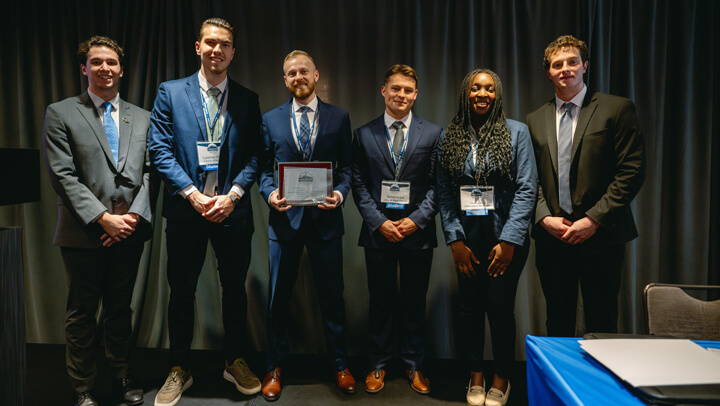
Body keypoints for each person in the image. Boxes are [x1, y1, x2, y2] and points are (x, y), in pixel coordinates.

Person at [148, 17, 264, 405]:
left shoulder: (247, 99)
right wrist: (192, 195)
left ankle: (235, 360)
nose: (218, 50)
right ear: (197, 47)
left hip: (232, 211)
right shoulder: (169, 92)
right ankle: (179, 367)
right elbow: (159, 149)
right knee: (181, 292)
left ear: (233, 51)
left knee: (234, 291)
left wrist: (231, 195)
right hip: (187, 211)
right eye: (210, 43)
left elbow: (255, 155)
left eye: (225, 44)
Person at [42, 35, 151, 406]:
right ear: (84, 68)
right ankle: (83, 388)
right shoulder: (60, 112)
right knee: (81, 314)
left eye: (112, 62)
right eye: (97, 62)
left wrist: (133, 216)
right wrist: (103, 218)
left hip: (129, 232)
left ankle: (122, 378)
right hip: (84, 232)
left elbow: (151, 172)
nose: (105, 68)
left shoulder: (144, 117)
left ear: (122, 69)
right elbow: (62, 174)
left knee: (120, 310)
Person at [526, 35, 645, 337]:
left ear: (585, 66)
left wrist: (593, 220)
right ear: (548, 72)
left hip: (602, 235)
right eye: (557, 64)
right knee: (558, 322)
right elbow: (529, 178)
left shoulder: (616, 109)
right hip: (553, 237)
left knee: (602, 323)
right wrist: (543, 217)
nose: (565, 68)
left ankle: (599, 386)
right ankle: (558, 385)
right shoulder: (534, 119)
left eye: (572, 62)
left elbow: (631, 171)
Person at [257, 50, 355, 401]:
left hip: (326, 220)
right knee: (277, 301)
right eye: (291, 73)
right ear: (285, 80)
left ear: (316, 75)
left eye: (304, 71)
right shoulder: (270, 119)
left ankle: (340, 364)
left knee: (332, 298)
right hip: (284, 221)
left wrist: (340, 195)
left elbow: (347, 169)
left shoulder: (338, 117)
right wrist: (270, 196)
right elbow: (261, 169)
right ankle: (274, 366)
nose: (298, 77)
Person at [437, 69, 537, 406]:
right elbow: (445, 193)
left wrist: (510, 240)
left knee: (499, 308)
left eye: (489, 89)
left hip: (504, 241)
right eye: (476, 88)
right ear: (465, 93)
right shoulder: (449, 136)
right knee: (469, 309)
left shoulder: (517, 133)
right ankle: (475, 375)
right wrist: (455, 241)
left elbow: (527, 189)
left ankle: (501, 378)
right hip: (466, 241)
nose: (482, 94)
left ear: (498, 94)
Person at [351, 64, 441, 395]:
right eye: (395, 88)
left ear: (415, 94)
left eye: (407, 90)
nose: (401, 95)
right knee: (380, 301)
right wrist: (379, 222)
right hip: (379, 233)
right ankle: (378, 364)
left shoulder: (433, 134)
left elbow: (438, 185)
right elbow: (358, 184)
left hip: (418, 233)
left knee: (415, 303)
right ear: (383, 91)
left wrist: (417, 220)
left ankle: (414, 365)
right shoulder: (363, 134)